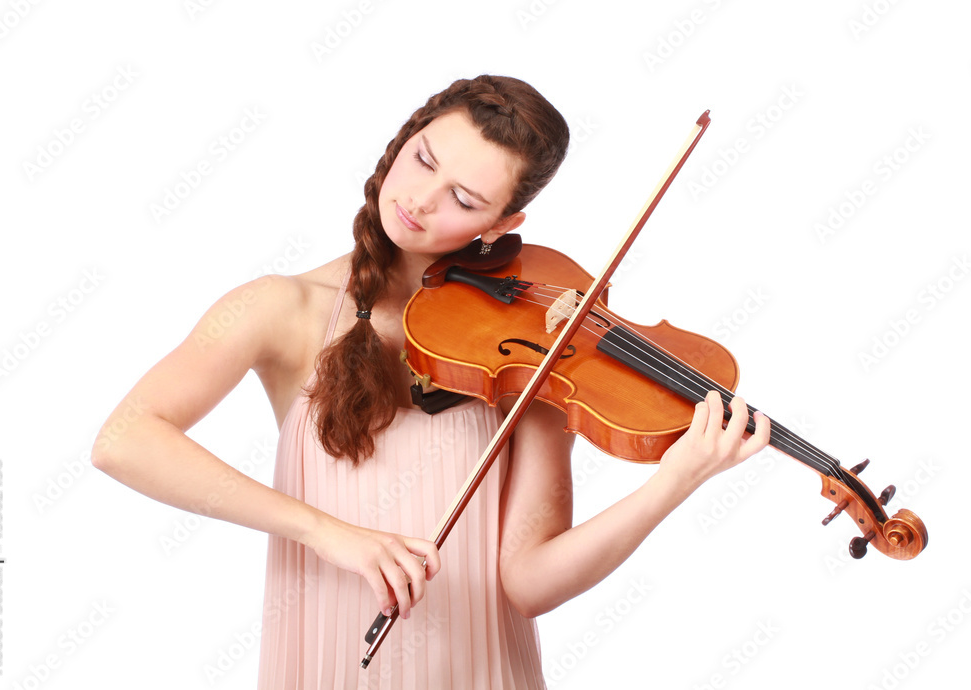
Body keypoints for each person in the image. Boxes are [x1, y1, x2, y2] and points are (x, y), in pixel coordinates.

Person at [92, 74, 771, 689]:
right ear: (403, 139)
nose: (420, 201)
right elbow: (124, 440)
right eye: (422, 159)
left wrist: (673, 481)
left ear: (503, 225)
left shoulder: (534, 347)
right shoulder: (281, 307)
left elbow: (530, 582)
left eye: (464, 199)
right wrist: (326, 532)